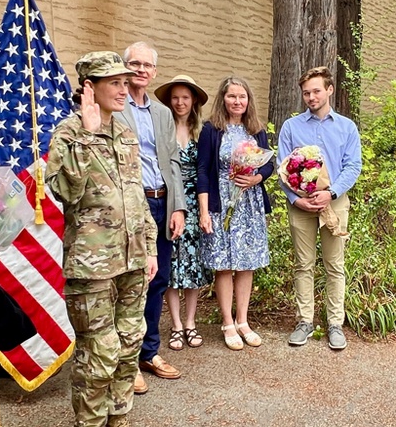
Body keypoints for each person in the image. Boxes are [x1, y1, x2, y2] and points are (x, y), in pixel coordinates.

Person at [46, 51, 160, 427]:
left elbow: (137, 195)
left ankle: (118, 422)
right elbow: (66, 192)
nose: (124, 88)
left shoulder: (126, 133)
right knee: (100, 351)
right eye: (113, 82)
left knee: (130, 340)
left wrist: (149, 247)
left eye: (125, 80)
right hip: (92, 264)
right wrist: (90, 135)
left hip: (132, 259)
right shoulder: (70, 133)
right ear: (89, 88)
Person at [277, 66, 362, 350]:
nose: (311, 97)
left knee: (335, 265)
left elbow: (353, 166)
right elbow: (283, 168)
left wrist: (332, 192)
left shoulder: (346, 127)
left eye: (316, 91)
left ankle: (335, 324)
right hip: (301, 205)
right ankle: (304, 321)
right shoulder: (292, 127)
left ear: (329, 90)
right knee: (303, 265)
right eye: (306, 93)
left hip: (334, 203)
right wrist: (295, 199)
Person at [118, 42, 186, 394]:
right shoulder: (113, 109)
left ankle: (149, 352)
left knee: (158, 281)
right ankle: (126, 363)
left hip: (162, 203)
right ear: (124, 67)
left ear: (155, 72)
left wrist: (178, 207)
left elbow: (172, 162)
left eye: (147, 65)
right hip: (132, 206)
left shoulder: (161, 113)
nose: (141, 69)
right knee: (131, 283)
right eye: (134, 63)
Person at [197, 76, 275, 350]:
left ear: (248, 100)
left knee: (246, 263)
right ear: (224, 99)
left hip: (249, 205)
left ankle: (243, 320)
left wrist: (257, 178)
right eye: (232, 96)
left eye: (242, 97)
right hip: (222, 203)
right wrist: (204, 212)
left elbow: (269, 165)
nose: (238, 101)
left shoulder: (256, 129)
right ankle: (227, 322)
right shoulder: (211, 130)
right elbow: (203, 171)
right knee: (224, 263)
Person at [155, 75, 214, 349]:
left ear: (193, 102)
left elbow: (206, 170)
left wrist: (204, 209)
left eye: (185, 98)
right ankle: (176, 324)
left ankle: (191, 322)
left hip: (195, 201)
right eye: (175, 97)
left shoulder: (202, 132)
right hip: (169, 201)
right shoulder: (161, 129)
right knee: (171, 264)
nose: (180, 102)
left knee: (192, 265)